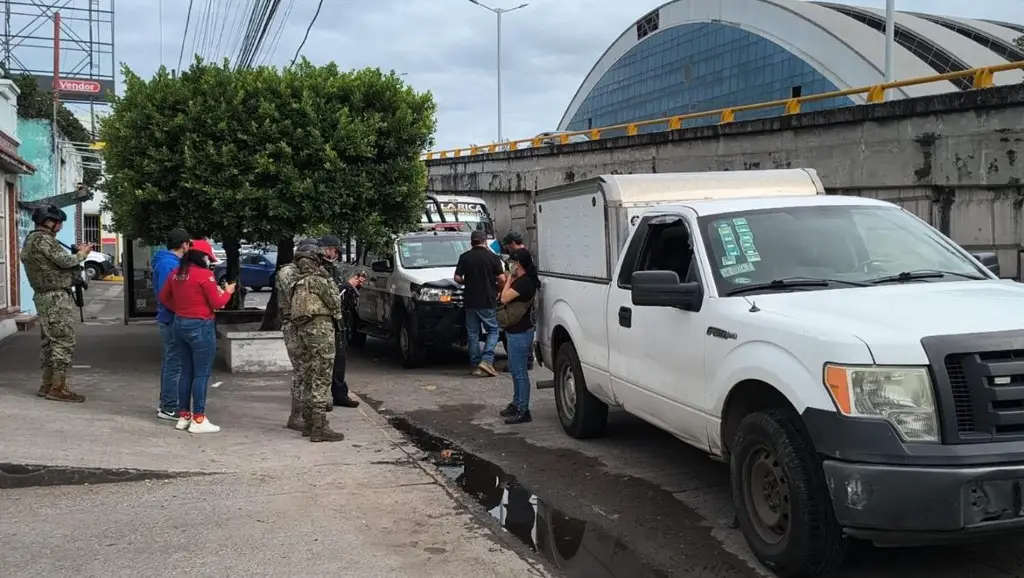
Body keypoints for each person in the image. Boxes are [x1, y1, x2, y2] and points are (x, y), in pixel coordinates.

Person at [159, 239, 235, 434]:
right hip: (201, 326)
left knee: (186, 372)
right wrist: (227, 292)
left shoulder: (176, 273)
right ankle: (199, 418)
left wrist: (182, 310)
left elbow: (163, 297)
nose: (209, 261)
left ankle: (184, 416)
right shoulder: (205, 275)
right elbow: (217, 303)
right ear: (202, 257)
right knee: (201, 374)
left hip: (179, 323)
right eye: (208, 257)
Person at [20, 204, 93, 402]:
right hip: (54, 297)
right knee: (63, 341)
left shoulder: (31, 240)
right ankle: (58, 387)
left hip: (44, 296)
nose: (60, 226)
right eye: (58, 222)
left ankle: (47, 384)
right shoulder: (44, 241)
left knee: (49, 342)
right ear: (48, 222)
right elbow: (64, 262)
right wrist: (82, 254)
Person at [289, 244, 346, 442]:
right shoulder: (319, 280)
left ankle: (309, 423)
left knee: (308, 377)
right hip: (321, 331)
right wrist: (328, 277)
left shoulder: (296, 283)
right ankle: (320, 427)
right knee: (321, 378)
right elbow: (334, 302)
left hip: (303, 332)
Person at [277, 239, 320, 431]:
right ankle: (296, 415)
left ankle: (307, 411)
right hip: (293, 325)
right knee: (301, 369)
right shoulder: (288, 272)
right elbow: (298, 294)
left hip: (308, 325)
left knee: (311, 368)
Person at [318, 234, 365, 408]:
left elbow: (340, 294)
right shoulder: (317, 269)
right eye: (335, 250)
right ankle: (319, 399)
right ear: (327, 249)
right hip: (323, 321)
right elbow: (328, 294)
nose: (336, 254)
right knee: (322, 361)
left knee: (340, 358)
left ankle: (340, 394)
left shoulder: (333, 268)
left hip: (338, 319)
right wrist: (347, 285)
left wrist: (353, 286)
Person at [152, 228, 191, 421]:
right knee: (174, 363)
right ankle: (169, 406)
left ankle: (166, 402)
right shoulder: (168, 264)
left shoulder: (169, 262)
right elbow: (166, 294)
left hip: (171, 317)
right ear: (184, 244)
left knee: (172, 361)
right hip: (171, 318)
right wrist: (184, 309)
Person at [455, 229, 506, 377]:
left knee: (472, 333)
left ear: (472, 242)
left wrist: (467, 281)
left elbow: (457, 278)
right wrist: (499, 290)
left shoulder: (464, 257)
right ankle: (487, 360)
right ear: (484, 241)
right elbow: (502, 279)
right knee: (493, 330)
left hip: (470, 300)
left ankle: (475, 364)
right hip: (488, 300)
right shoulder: (492, 257)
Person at [498, 248, 540, 424]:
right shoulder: (522, 280)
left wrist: (508, 279)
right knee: (515, 371)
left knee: (520, 372)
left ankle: (523, 409)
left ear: (519, 264)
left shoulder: (525, 283)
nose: (511, 265)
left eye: (513, 262)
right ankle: (516, 403)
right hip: (515, 331)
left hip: (521, 333)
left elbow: (504, 298)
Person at [499, 231, 534, 371]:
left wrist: (509, 279)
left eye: (508, 246)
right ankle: (527, 359)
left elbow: (504, 297)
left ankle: (523, 359)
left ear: (512, 244)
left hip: (518, 298)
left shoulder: (519, 257)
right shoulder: (526, 253)